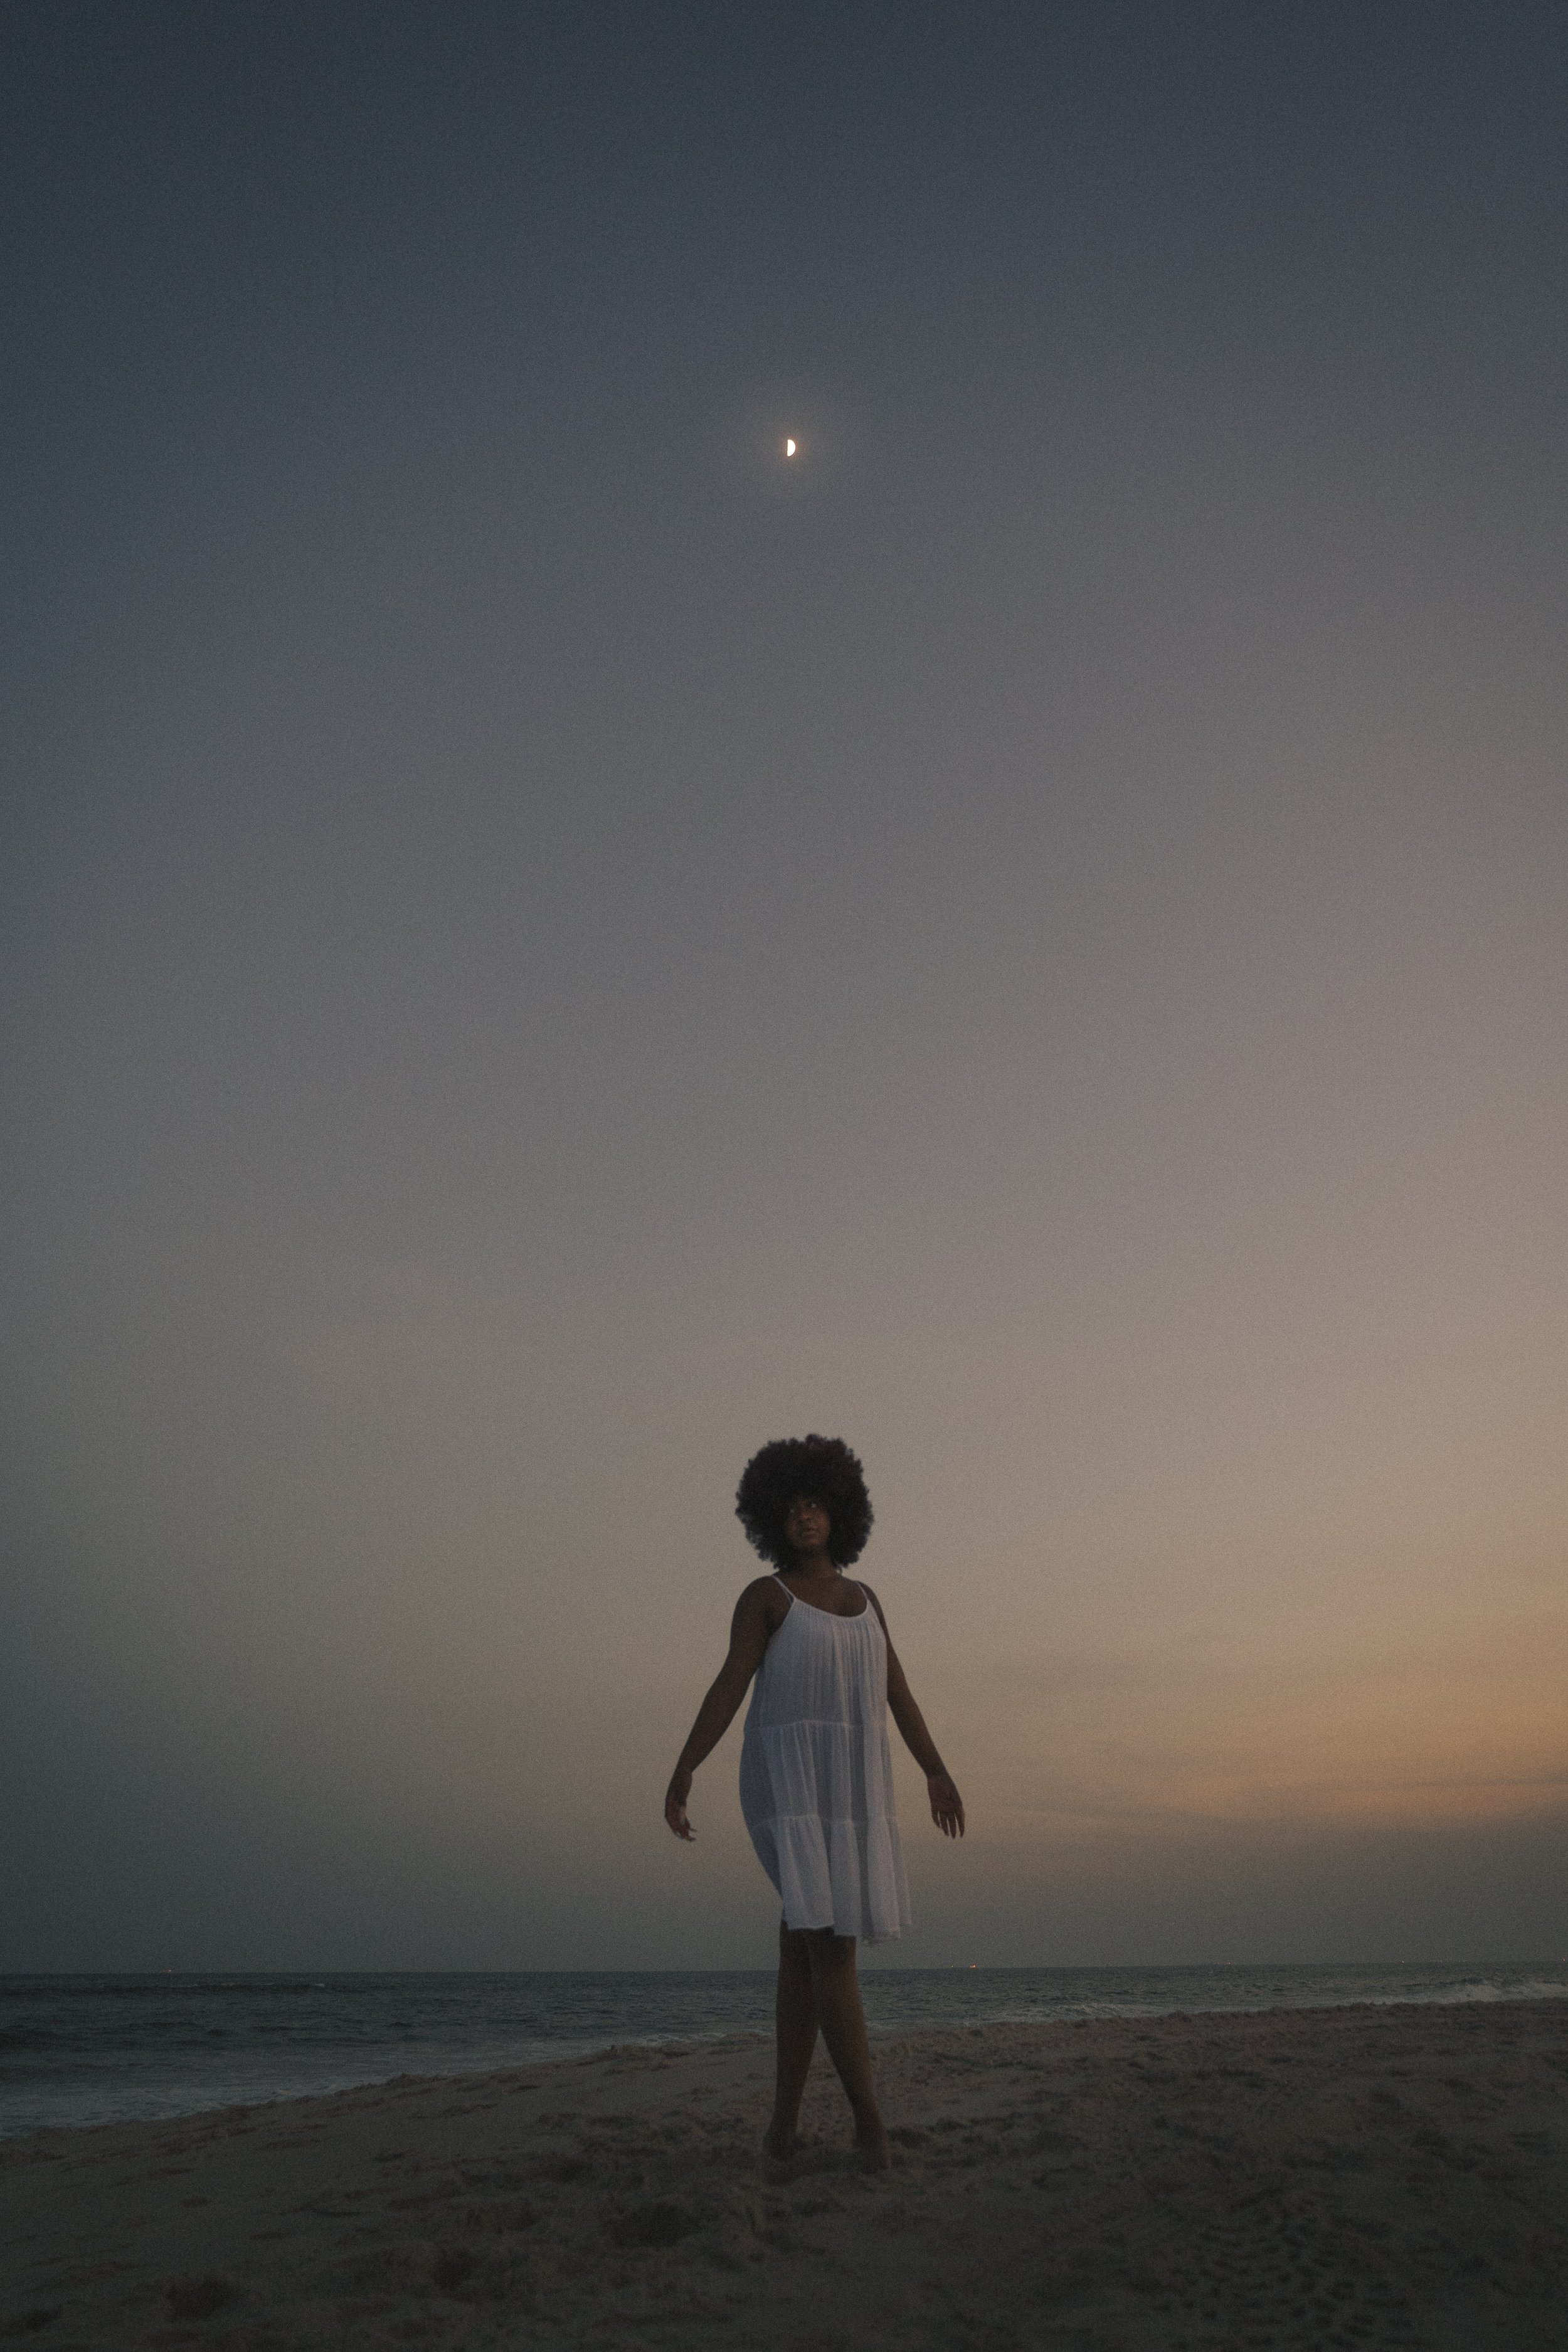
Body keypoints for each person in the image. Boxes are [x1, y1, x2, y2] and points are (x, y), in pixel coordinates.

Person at [664, 1434, 964, 2170]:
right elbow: (730, 1683)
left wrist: (935, 1769)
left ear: (839, 1513)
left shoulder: (867, 1602)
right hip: (789, 1786)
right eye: (792, 1507)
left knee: (801, 1956)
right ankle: (870, 2127)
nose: (803, 1517)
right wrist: (685, 1767)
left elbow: (898, 1692)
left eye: (816, 1505)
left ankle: (782, 2129)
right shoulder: (766, 1598)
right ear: (773, 1517)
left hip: (853, 1789)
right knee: (831, 1947)